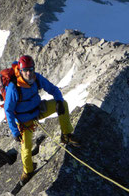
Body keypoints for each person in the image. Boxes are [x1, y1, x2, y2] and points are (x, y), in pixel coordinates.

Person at [4, 55, 79, 184]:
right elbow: (8, 110)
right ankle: (28, 172)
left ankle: (66, 135)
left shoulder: (36, 78)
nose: (29, 73)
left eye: (31, 69)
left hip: (38, 110)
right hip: (24, 121)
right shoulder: (13, 87)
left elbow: (52, 89)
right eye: (26, 70)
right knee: (26, 150)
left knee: (64, 105)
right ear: (21, 71)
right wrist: (15, 132)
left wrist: (59, 100)